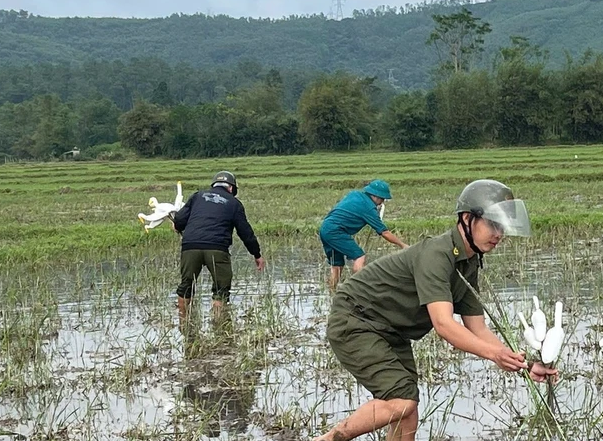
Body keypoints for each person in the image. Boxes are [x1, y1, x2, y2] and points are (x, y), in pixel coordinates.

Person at [312, 179, 558, 441]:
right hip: (357, 318)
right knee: (401, 401)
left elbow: (477, 328)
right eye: (493, 224)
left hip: (390, 330)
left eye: (502, 226)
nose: (499, 234)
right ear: (467, 218)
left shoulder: (468, 263)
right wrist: (495, 354)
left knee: (408, 408)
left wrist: (525, 366)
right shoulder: (437, 254)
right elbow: (444, 325)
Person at [171, 171, 265, 322]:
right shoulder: (234, 203)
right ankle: (219, 326)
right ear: (231, 189)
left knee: (186, 286)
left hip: (190, 246)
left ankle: (183, 322)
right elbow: (245, 232)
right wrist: (257, 254)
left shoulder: (197, 196)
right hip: (217, 248)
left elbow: (179, 220)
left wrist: (176, 225)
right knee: (221, 290)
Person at [319, 179, 409, 291]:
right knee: (359, 256)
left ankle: (331, 292)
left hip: (325, 228)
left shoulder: (355, 194)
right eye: (382, 199)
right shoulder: (369, 209)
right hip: (336, 231)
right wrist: (402, 245)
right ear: (375, 196)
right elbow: (384, 233)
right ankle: (359, 289)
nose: (382, 202)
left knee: (337, 265)